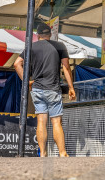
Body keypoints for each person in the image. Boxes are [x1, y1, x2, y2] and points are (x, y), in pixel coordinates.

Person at [13, 21, 76, 157]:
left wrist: (27, 82)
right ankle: (62, 152)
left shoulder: (31, 47)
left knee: (41, 120)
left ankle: (43, 154)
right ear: (50, 34)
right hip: (52, 88)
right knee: (56, 121)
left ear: (37, 35)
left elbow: (17, 64)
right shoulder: (59, 46)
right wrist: (71, 87)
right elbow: (66, 67)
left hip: (37, 89)